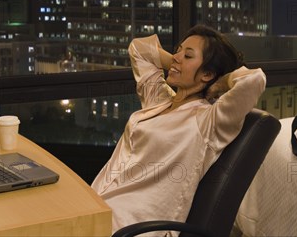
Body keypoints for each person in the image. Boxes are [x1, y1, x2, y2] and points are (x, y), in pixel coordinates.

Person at [91, 25, 266, 235]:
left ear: (208, 73)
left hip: (133, 226)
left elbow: (253, 81)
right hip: (98, 204)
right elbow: (139, 49)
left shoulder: (209, 121)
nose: (176, 56)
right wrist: (179, 64)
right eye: (178, 50)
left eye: (188, 55)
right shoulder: (159, 100)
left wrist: (221, 82)